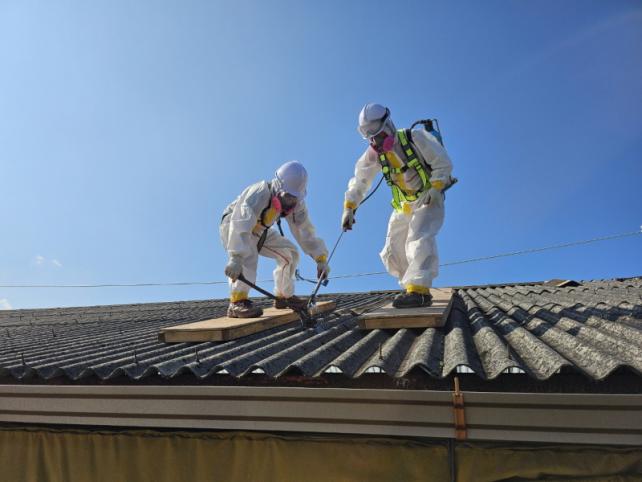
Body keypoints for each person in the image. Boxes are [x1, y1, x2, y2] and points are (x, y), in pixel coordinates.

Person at [342, 103, 454, 308]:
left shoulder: (414, 138)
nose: (377, 141)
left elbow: (442, 162)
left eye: (379, 135)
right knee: (392, 249)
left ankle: (419, 290)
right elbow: (360, 180)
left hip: (428, 197)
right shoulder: (374, 154)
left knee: (418, 238)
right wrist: (349, 207)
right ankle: (410, 288)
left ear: (389, 125)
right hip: (403, 205)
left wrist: (436, 187)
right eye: (372, 138)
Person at [221, 161, 330, 318]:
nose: (290, 203)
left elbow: (304, 230)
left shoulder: (296, 204)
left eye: (294, 199)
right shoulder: (259, 193)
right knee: (247, 255)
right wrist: (236, 257)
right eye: (288, 197)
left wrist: (320, 258)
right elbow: (241, 223)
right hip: (233, 224)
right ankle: (237, 302)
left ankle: (283, 296)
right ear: (278, 187)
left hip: (259, 228)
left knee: (290, 253)